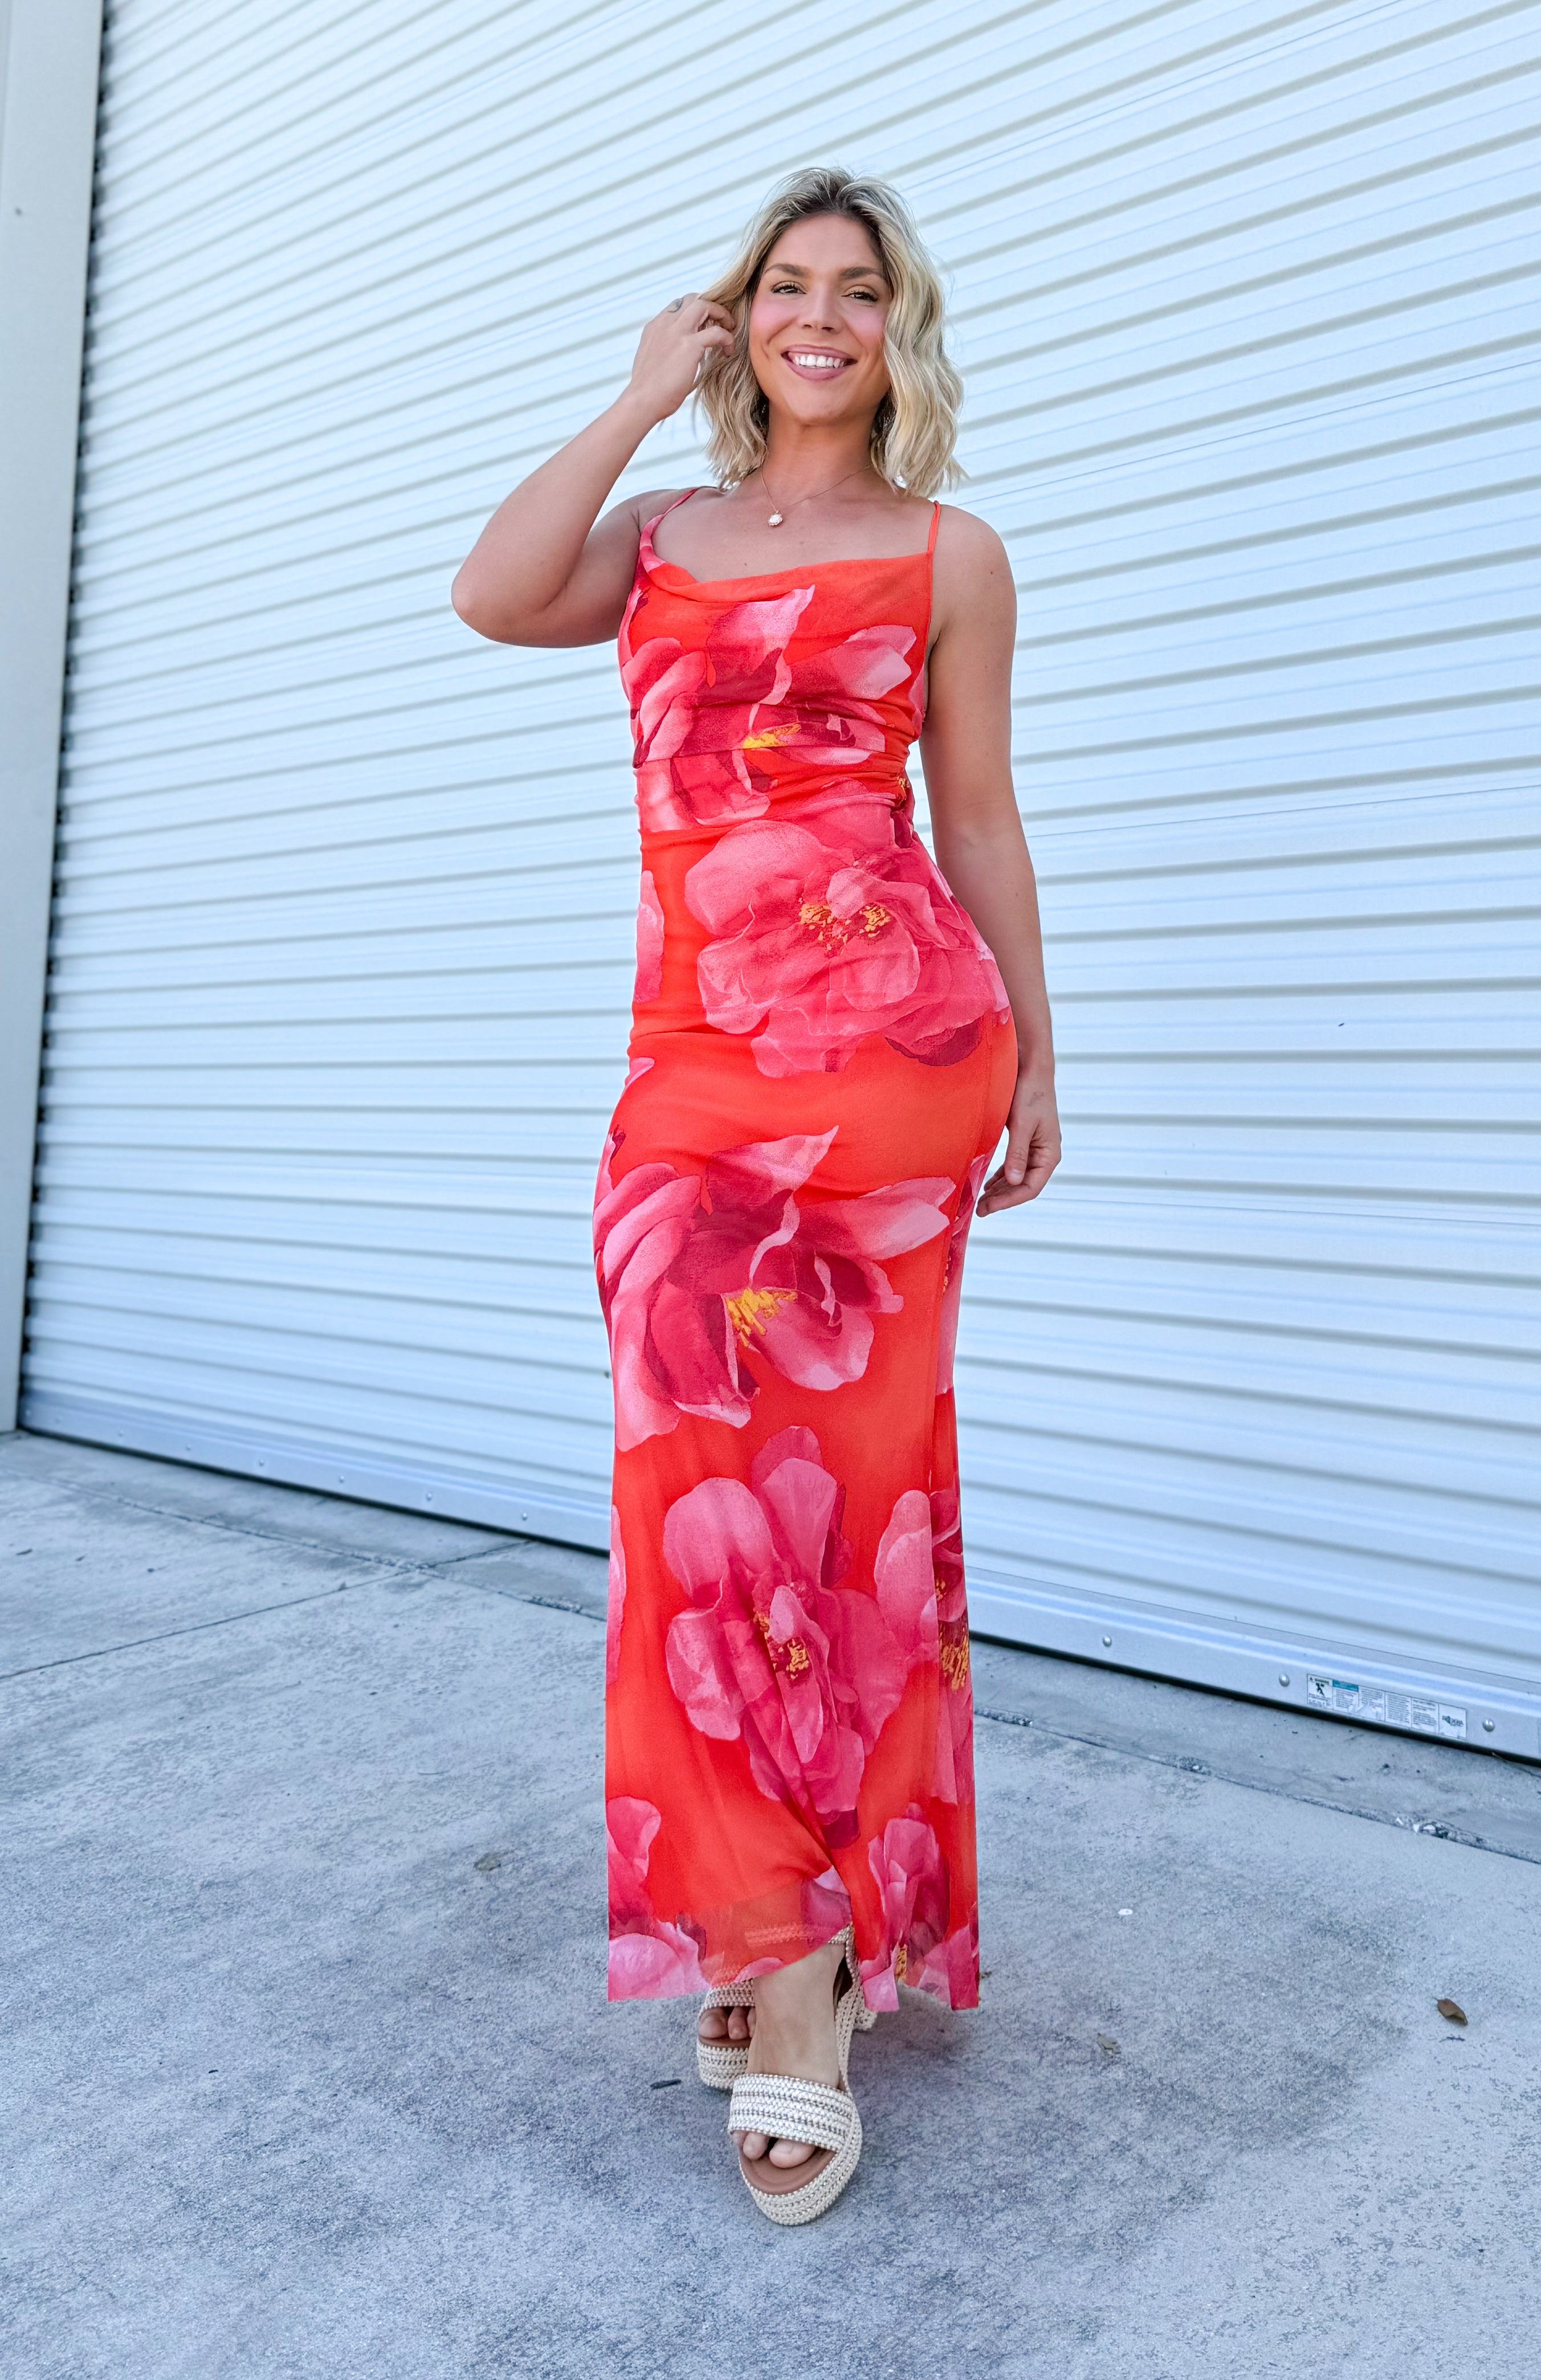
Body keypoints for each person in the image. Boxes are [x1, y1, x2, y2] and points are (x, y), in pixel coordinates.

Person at [452, 166, 1059, 2222]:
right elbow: (488, 593)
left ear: (899, 330)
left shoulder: (952, 551)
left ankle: (795, 1970)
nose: (820, 316)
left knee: (851, 1514)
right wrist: (639, 391)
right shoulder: (655, 541)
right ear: (737, 316)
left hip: (895, 1059)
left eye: (856, 291)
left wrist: (1042, 1051)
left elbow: (977, 814)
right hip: (691, 1078)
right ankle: (765, 1909)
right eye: (785, 285)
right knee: (688, 1501)